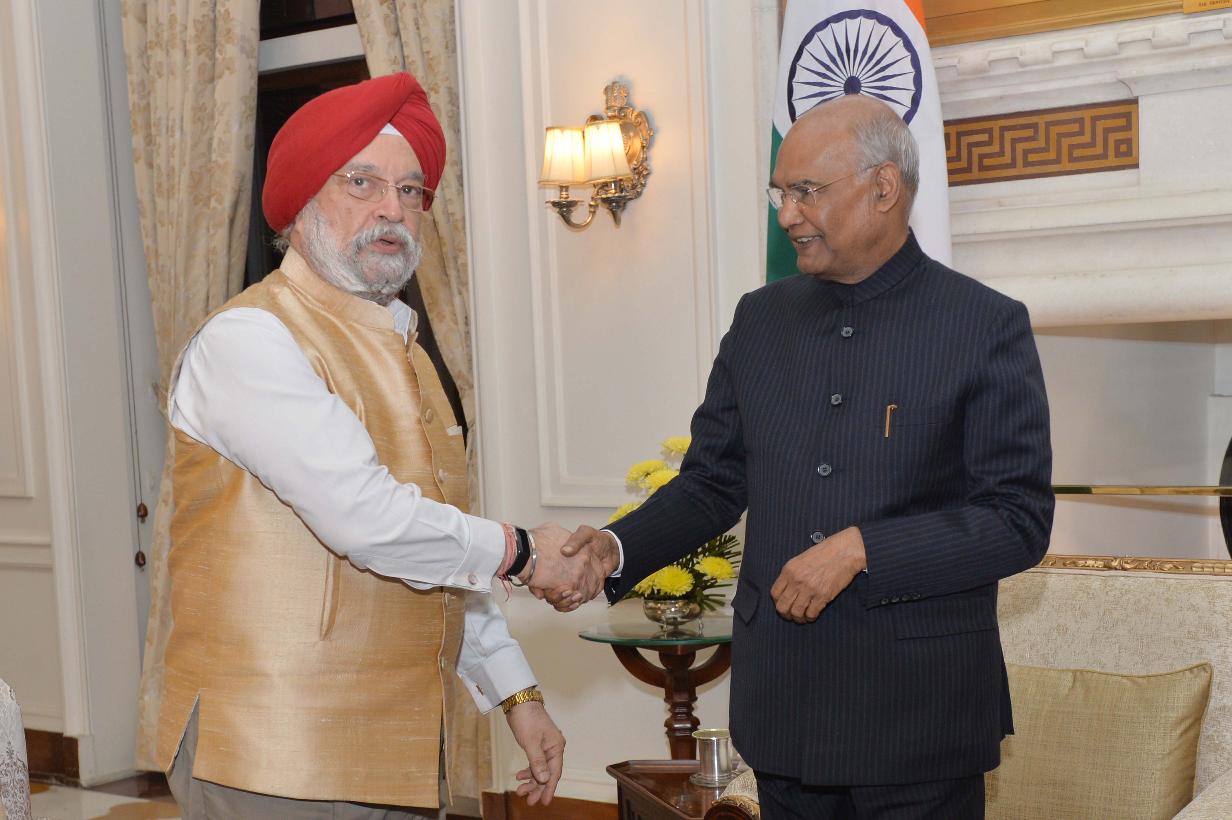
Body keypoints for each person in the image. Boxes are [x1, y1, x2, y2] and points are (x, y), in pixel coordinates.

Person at [562, 94, 1054, 819]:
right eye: (780, 193)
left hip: (919, 720)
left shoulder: (985, 325)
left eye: (806, 191)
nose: (787, 214)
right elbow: (712, 482)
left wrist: (863, 549)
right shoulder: (760, 320)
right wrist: (614, 548)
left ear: (883, 188)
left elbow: (1017, 520)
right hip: (783, 709)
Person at [153, 72, 604, 819]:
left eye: (410, 190)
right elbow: (367, 520)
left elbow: (436, 549)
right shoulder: (250, 338)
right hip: (272, 752)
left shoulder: (407, 352)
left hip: (398, 753)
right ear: (302, 203)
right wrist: (524, 551)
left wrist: (517, 695)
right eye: (361, 183)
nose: (392, 209)